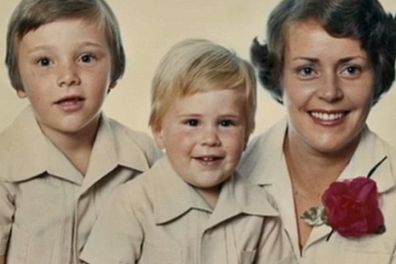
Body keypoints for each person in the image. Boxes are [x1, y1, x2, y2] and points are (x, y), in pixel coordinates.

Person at [81, 39, 295, 264]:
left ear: (247, 133)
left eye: (226, 123)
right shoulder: (132, 204)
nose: (210, 139)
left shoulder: (261, 210)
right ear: (159, 130)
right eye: (193, 123)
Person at [0, 0, 161, 263]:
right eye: (44, 61)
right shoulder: (5, 163)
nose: (68, 76)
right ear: (19, 81)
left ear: (115, 71)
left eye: (86, 58)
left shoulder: (143, 156)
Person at [239, 0, 396, 263]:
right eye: (307, 70)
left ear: (378, 75)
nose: (330, 92)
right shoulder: (226, 174)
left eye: (351, 69)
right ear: (278, 76)